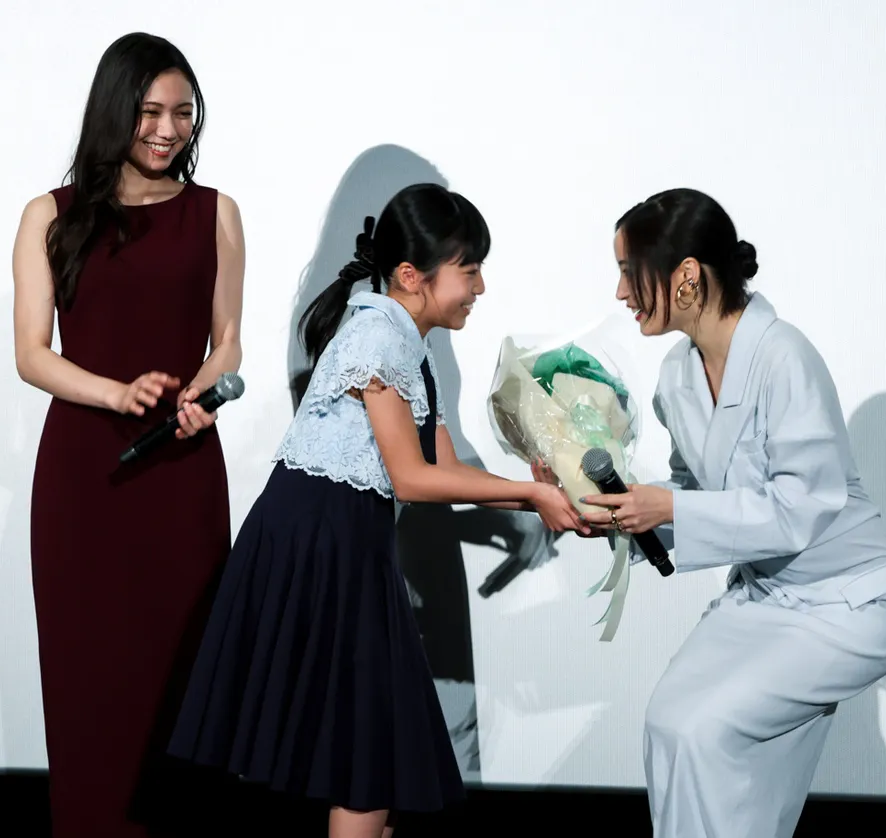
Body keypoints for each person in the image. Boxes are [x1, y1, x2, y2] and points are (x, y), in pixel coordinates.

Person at [167, 183, 582, 838]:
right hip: (320, 542)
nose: (480, 287)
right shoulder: (377, 339)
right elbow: (414, 480)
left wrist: (541, 483)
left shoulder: (403, 339)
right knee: (368, 763)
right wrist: (531, 496)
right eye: (470, 270)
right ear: (413, 276)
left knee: (372, 760)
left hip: (342, 540)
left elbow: (446, 470)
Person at [566, 188, 886, 837]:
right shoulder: (677, 374)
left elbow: (800, 506)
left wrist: (665, 506)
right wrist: (616, 511)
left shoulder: (784, 355)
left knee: (704, 730)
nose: (620, 293)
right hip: (764, 598)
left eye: (627, 271)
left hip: (849, 605)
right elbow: (687, 490)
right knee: (671, 722)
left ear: (688, 277)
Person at [11, 32, 245, 837]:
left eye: (182, 113)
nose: (168, 129)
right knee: (89, 686)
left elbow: (227, 343)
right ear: (116, 111)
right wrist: (116, 392)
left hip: (182, 474)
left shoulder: (217, 213)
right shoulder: (51, 214)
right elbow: (32, 356)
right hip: (85, 480)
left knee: (184, 676)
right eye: (150, 111)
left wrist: (204, 395)